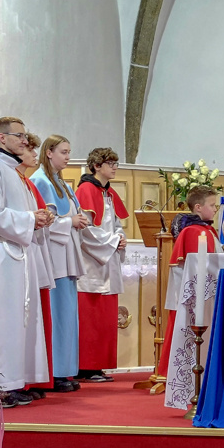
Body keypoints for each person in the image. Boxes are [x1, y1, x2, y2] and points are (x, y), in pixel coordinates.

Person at [0, 117, 51, 407]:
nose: (25, 141)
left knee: (19, 320)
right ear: (2, 138)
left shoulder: (14, 172)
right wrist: (30, 219)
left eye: (25, 136)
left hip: (18, 253)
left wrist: (39, 219)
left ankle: (15, 380)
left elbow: (22, 213)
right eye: (19, 136)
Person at [32, 134, 89, 393]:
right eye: (63, 152)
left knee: (66, 314)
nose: (68, 157)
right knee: (56, 313)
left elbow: (69, 213)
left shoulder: (61, 182)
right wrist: (71, 222)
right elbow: (45, 221)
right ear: (49, 152)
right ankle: (52, 372)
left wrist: (79, 219)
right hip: (54, 256)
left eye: (68, 152)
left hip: (66, 254)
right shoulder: (41, 181)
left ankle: (64, 369)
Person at [158, 185, 222, 385]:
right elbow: (199, 270)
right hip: (194, 297)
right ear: (198, 207)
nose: (215, 209)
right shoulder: (195, 232)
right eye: (212, 205)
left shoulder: (206, 230)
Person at [75, 147, 128, 382]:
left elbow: (116, 224)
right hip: (91, 264)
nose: (115, 167)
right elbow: (85, 230)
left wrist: (120, 237)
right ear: (97, 166)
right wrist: (113, 241)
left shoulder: (109, 193)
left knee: (104, 319)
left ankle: (98, 365)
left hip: (108, 260)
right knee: (90, 318)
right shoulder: (85, 190)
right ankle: (85, 367)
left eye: (116, 163)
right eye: (110, 163)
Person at [18, 133, 56, 399]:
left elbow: (39, 215)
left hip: (33, 252)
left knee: (35, 319)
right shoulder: (22, 180)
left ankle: (32, 379)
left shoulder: (27, 183)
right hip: (19, 254)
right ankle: (23, 381)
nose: (33, 154)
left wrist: (47, 218)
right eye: (29, 149)